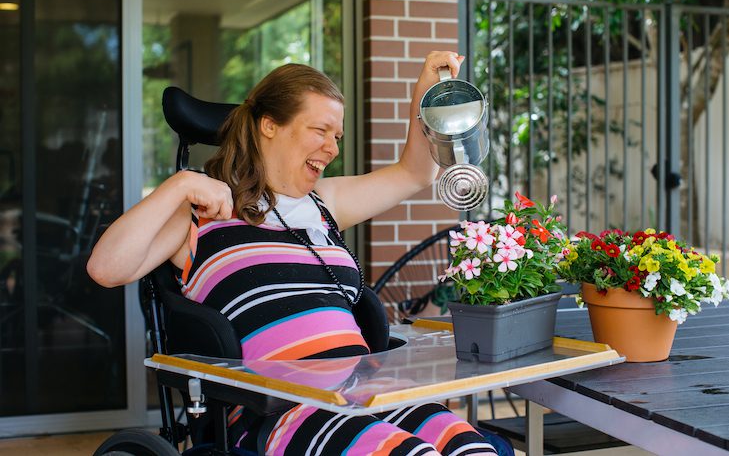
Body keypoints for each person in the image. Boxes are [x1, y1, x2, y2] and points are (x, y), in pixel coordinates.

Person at [87, 51, 500, 456]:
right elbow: (106, 268)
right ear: (270, 125)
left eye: (336, 136)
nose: (332, 148)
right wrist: (179, 186)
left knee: (472, 448)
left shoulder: (325, 202)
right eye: (319, 130)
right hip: (278, 407)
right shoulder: (201, 212)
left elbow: (415, 173)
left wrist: (426, 91)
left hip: (365, 390)